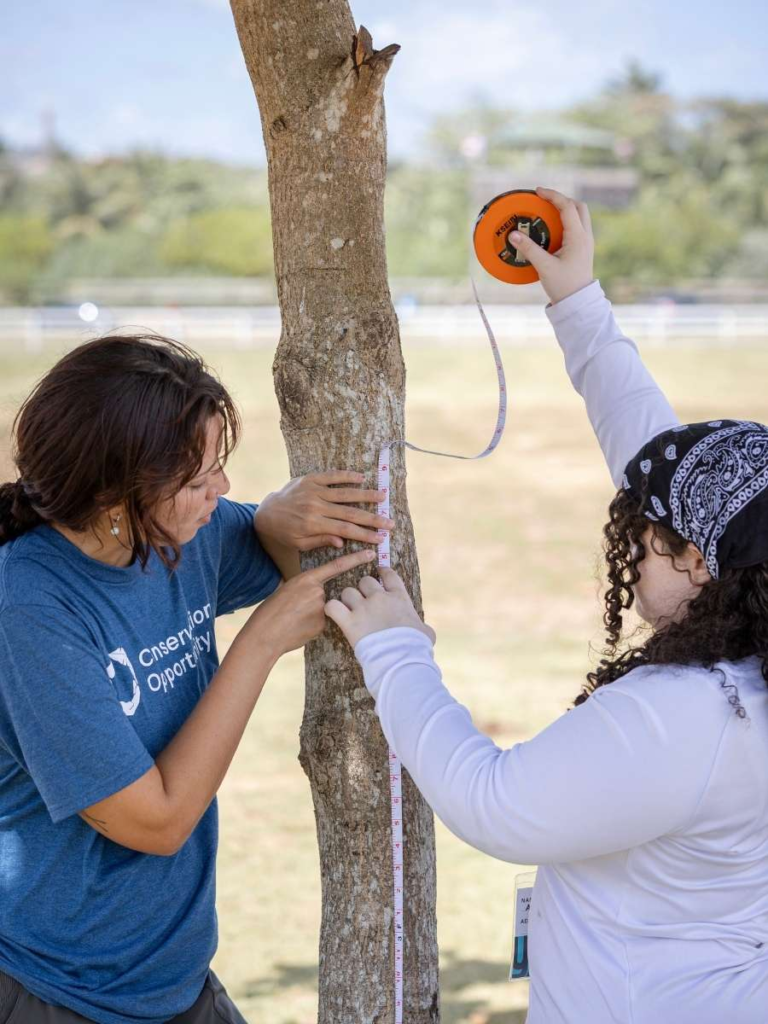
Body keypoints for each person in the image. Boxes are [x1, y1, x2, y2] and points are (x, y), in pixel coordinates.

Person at [325, 187, 768, 1023]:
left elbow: (495, 804)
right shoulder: (749, 660)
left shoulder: (686, 717)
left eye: (646, 534)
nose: (631, 547)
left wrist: (394, 650)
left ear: (704, 562)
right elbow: (656, 457)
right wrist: (577, 301)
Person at [0, 334, 390, 1024]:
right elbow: (156, 821)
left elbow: (265, 546)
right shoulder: (30, 611)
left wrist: (277, 516)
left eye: (222, 466)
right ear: (116, 494)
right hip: (60, 989)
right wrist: (260, 641)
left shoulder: (173, 535)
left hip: (173, 976)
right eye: (200, 477)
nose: (223, 491)